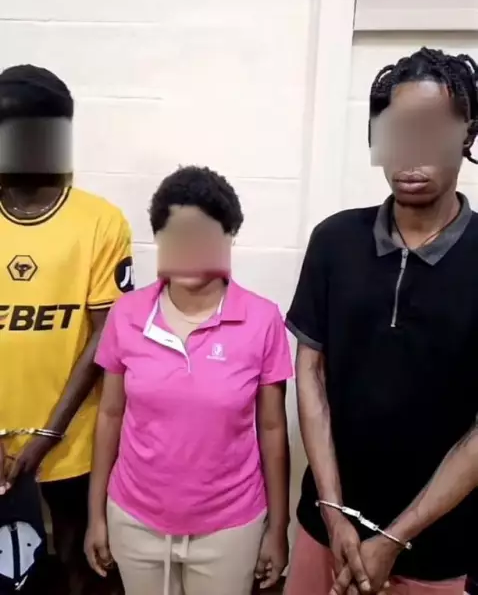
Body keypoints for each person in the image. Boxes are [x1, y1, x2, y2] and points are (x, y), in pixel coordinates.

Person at [284, 47, 478, 595]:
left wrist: (393, 538)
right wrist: (333, 514)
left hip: (439, 550)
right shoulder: (334, 241)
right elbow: (311, 376)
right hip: (325, 532)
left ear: (467, 135)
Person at [85, 165, 293, 595]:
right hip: (134, 519)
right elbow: (109, 415)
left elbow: (272, 429)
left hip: (230, 526)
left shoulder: (262, 319)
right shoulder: (127, 314)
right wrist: (96, 515)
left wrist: (278, 526)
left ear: (229, 237)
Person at [0, 65, 134, 594]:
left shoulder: (100, 221)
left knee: (77, 555)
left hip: (71, 437)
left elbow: (106, 332)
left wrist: (47, 435)